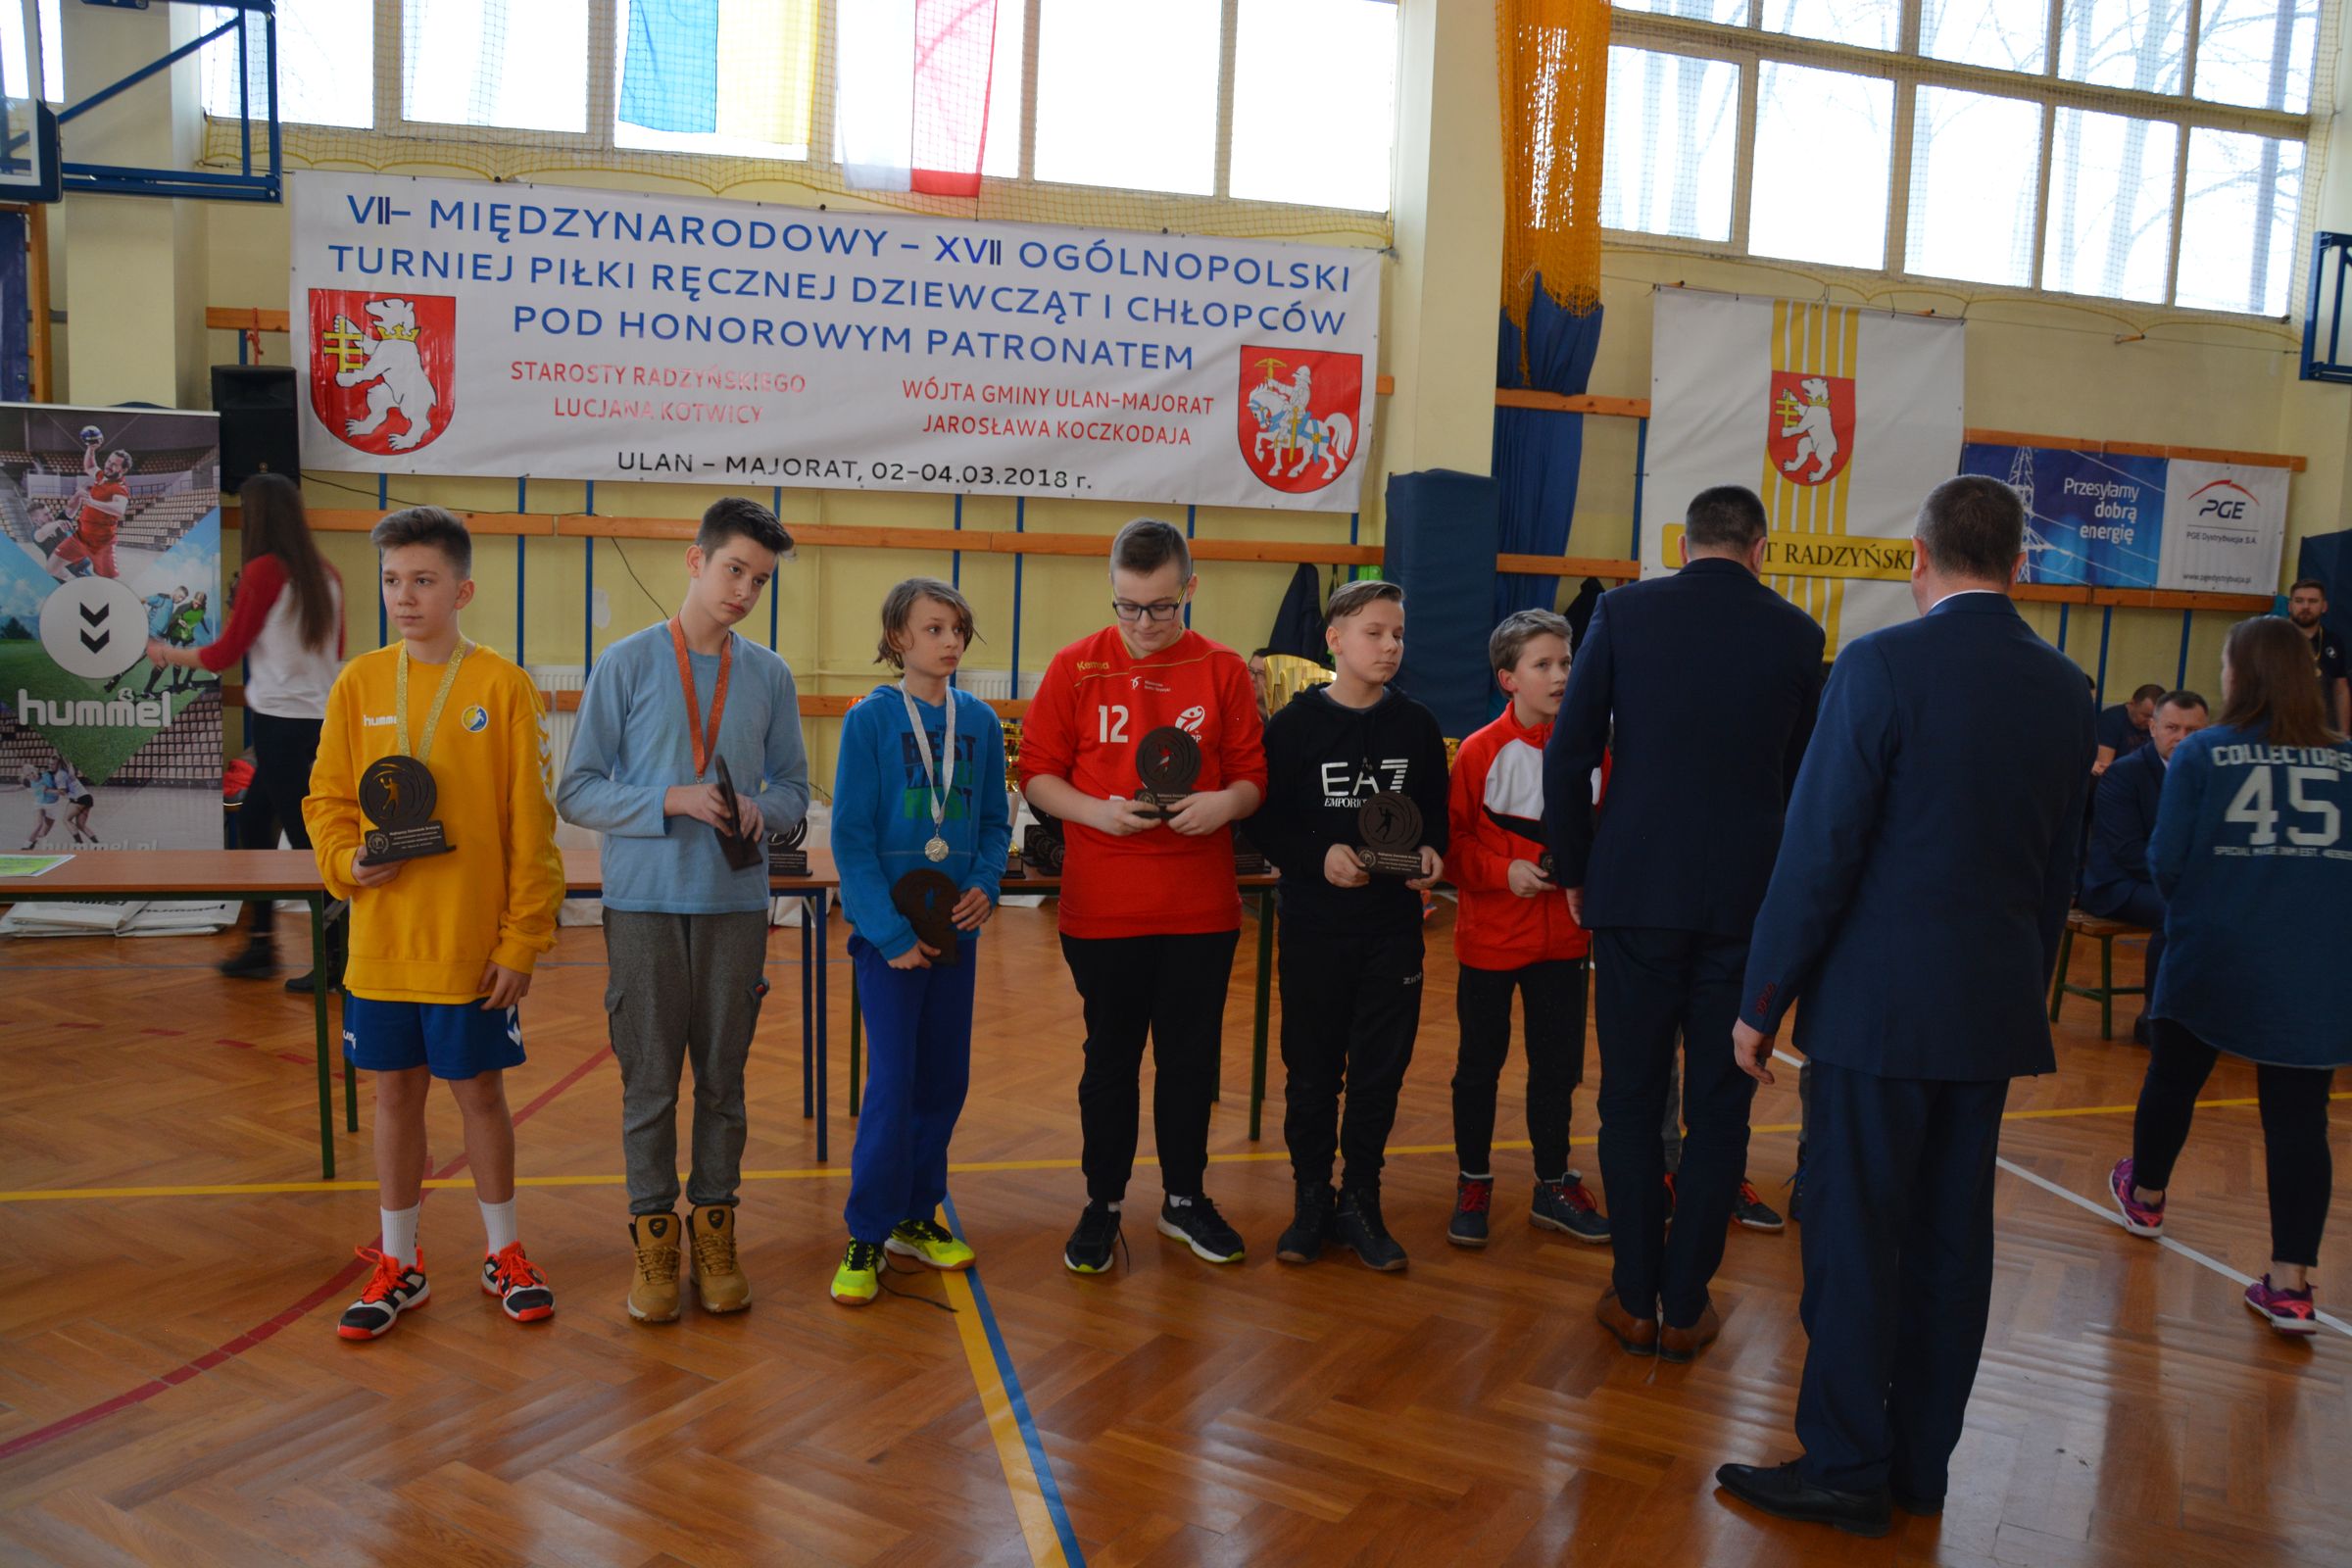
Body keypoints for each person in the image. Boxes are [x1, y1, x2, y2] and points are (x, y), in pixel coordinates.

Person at [1715, 475, 2093, 1539]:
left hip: (1878, 1015)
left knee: (1852, 1238)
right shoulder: (2069, 687)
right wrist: (2022, 984)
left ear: (1918, 558)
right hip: (1990, 1009)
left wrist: (1762, 998)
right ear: (2019, 564)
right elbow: (2058, 869)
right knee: (1950, 1247)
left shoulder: (1880, 664)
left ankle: (1845, 1466)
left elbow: (1820, 847)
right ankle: (1922, 1467)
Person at [1544, 484, 1823, 1361]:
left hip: (1633, 890)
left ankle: (1634, 1298)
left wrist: (1575, 868)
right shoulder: (1798, 634)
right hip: (1747, 904)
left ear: (1684, 543)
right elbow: (1804, 781)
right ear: (1760, 549)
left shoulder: (1625, 614)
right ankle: (1686, 1302)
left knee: (1629, 1101)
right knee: (1720, 1108)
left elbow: (1569, 752)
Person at [304, 507, 566, 1342]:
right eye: (392, 581)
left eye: (423, 580)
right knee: (394, 1096)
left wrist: (522, 939)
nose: (405, 597)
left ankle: (504, 1253)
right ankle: (399, 1263)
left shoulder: (502, 686)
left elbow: (532, 829)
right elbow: (326, 801)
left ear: (463, 590)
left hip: (470, 948)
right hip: (384, 946)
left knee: (481, 1095)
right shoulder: (357, 684)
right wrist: (347, 863)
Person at [555, 497, 808, 1323]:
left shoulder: (769, 675)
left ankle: (716, 1231)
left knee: (724, 1083)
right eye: (734, 570)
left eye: (760, 580)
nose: (744, 591)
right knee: (651, 1084)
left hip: (736, 904)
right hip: (644, 905)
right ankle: (655, 1241)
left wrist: (761, 810)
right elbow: (577, 790)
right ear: (696, 562)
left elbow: (795, 789)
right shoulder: (626, 662)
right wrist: (671, 798)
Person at [1018, 517, 1267, 1275]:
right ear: (1112, 591)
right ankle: (1102, 1204)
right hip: (1104, 908)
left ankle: (1185, 1199)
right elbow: (1036, 773)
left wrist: (1223, 805)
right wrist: (1095, 813)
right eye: (1128, 606)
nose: (1144, 623)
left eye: (1161, 606)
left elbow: (1253, 778)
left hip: (1199, 909)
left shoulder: (1223, 668)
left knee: (1189, 1061)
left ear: (1189, 589)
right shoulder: (1075, 666)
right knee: (1111, 1061)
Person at [2108, 616, 2352, 1337]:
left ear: (2240, 674)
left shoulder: (2205, 752)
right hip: (2314, 967)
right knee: (2300, 1121)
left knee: (2173, 1080)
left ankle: (2147, 1197)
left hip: (2215, 953)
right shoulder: (2347, 760)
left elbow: (2166, 861)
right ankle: (2291, 1285)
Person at [1247, 580, 1447, 1270]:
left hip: (1391, 930)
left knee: (1378, 1074)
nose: (1390, 646)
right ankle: (1311, 1199)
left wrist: (1431, 855)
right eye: (1375, 633)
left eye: (1398, 634)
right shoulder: (1295, 726)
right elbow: (1265, 821)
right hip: (1315, 929)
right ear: (1334, 639)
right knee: (1311, 1073)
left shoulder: (1416, 724)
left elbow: (1435, 816)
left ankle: (1361, 1198)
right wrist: (1317, 856)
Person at [827, 578, 1011, 1305]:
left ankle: (914, 1214)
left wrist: (987, 884)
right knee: (893, 1083)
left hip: (955, 932)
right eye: (934, 628)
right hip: (890, 939)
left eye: (958, 629)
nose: (951, 641)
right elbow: (850, 837)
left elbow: (994, 822)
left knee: (943, 1079)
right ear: (898, 638)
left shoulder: (982, 723)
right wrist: (888, 932)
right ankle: (867, 1232)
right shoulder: (869, 720)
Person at [1445, 608, 1608, 1249]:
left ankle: (1552, 1182)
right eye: (1544, 664)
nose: (1561, 675)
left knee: (1557, 1070)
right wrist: (1503, 871)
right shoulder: (1480, 751)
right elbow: (1453, 847)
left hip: (1564, 943)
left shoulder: (1595, 750)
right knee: (1478, 1067)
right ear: (1508, 679)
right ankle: (1473, 1178)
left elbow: (1607, 835)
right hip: (1490, 941)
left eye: (1567, 662)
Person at [148, 474, 345, 987]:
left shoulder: (264, 571)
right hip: (318, 721)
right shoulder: (326, 574)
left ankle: (337, 959)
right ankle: (261, 943)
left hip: (280, 723)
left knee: (308, 843)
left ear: (256, 518)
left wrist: (165, 653)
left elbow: (222, 655)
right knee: (256, 825)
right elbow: (336, 648)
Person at [2082, 689, 2209, 1044]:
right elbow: (2129, 853)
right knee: (2177, 911)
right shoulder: (2124, 774)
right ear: (2152, 728)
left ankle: (2206, 1013)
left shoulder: (2210, 775)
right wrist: (2188, 882)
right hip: (2117, 884)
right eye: (2172, 728)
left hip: (2176, 881)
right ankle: (2154, 1017)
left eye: (2193, 731)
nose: (2182, 738)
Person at [39, 436, 131, 581]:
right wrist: (91, 449)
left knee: (110, 583)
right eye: (109, 461)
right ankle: (76, 583)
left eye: (114, 465)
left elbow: (119, 509)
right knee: (51, 568)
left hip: (102, 545)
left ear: (124, 470)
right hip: (80, 537)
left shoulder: (119, 488)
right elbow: (89, 467)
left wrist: (93, 502)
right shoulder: (102, 476)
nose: (109, 465)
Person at [2285, 578, 2348, 734]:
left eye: (2313, 601)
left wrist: (2344, 735)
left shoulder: (2334, 641)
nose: (2306, 606)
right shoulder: (2273, 638)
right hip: (2282, 728)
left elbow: (2340, 690)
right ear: (2290, 606)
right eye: (2299, 601)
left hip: (2323, 729)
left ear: (2324, 606)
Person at [2094, 682, 2167, 775]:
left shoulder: (2162, 725)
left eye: (2155, 717)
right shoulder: (2111, 720)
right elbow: (2104, 767)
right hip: (2119, 778)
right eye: (2146, 715)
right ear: (2132, 704)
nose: (2150, 722)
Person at [19, 761, 57, 849]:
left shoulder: (46, 775)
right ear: (26, 777)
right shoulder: (29, 782)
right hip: (40, 804)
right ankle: (25, 847)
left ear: (35, 770)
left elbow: (46, 788)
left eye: (32, 772)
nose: (32, 776)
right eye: (28, 775)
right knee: (39, 824)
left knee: (43, 833)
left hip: (52, 805)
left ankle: (32, 842)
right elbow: (17, 788)